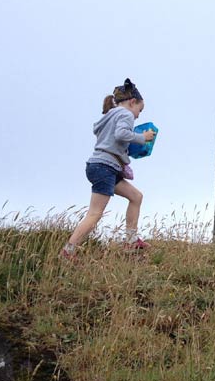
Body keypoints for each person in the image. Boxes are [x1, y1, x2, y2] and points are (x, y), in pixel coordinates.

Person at [60, 78, 156, 259]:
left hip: (101, 166)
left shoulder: (110, 115)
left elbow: (113, 140)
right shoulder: (125, 114)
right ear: (132, 102)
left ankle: (131, 241)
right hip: (104, 167)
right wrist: (142, 138)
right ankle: (68, 251)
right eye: (140, 110)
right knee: (95, 213)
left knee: (136, 196)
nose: (138, 116)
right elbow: (121, 134)